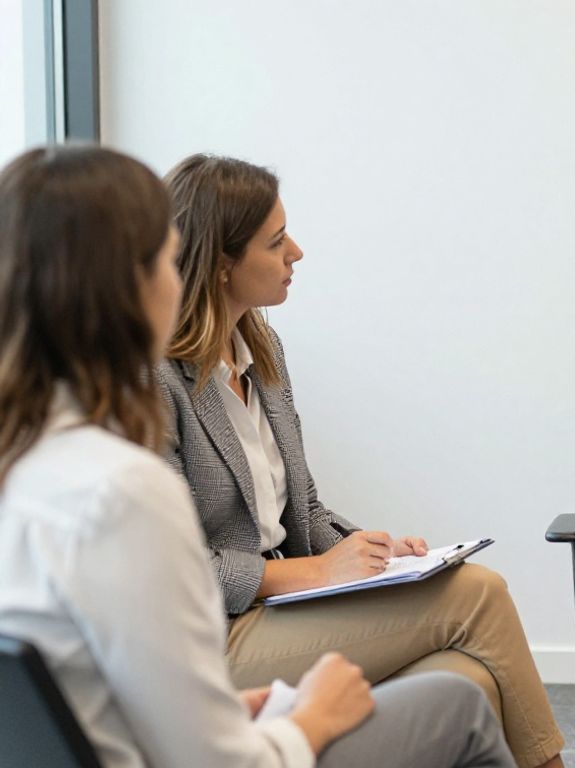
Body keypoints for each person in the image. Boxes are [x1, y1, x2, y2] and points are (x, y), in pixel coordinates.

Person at [0, 145, 513, 767]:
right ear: (127, 288)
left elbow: (110, 684)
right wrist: (313, 718)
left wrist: (374, 554)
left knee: (464, 679)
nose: (178, 272)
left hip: (152, 731)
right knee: (458, 684)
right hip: (233, 665)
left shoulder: (33, 464)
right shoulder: (121, 488)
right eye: (167, 257)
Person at [154, 154, 562, 768]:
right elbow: (178, 573)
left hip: (282, 608)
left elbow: (304, 512)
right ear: (220, 265)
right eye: (275, 241)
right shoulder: (154, 381)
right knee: (478, 594)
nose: (297, 252)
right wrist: (320, 572)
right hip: (217, 637)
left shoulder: (261, 354)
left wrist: (378, 553)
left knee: (464, 678)